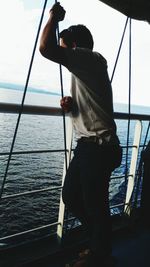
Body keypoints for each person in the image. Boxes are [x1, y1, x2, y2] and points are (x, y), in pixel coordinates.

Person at [39, 2, 122, 267]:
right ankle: (99, 247)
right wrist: (71, 105)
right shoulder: (86, 68)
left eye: (64, 47)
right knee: (73, 197)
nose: (62, 56)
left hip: (99, 147)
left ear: (75, 47)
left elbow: (45, 49)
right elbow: (90, 104)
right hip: (90, 148)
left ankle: (100, 256)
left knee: (94, 205)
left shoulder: (90, 58)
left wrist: (53, 16)